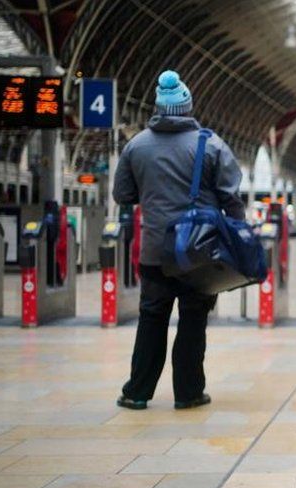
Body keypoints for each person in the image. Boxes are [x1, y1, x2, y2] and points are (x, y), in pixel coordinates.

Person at [113, 70, 244, 411]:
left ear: (158, 107)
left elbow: (122, 194)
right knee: (192, 319)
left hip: (155, 249)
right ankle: (188, 392)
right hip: (198, 251)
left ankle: (137, 392)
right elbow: (231, 196)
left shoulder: (136, 145)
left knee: (152, 317)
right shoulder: (210, 144)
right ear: (187, 106)